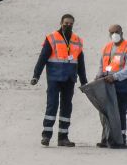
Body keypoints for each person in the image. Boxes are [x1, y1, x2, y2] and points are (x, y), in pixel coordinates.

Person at [32, 13, 87, 147]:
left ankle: (63, 137)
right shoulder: (52, 38)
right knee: (52, 105)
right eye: (65, 23)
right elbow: (42, 58)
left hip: (70, 78)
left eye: (70, 23)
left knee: (66, 107)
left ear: (73, 24)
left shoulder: (77, 40)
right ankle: (46, 135)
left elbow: (80, 62)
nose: (68, 25)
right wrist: (36, 75)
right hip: (54, 78)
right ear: (60, 22)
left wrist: (84, 81)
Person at [99, 24, 127, 148]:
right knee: (106, 111)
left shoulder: (126, 47)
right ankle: (107, 138)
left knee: (120, 110)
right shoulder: (107, 47)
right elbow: (102, 65)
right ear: (109, 34)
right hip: (106, 82)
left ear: (122, 32)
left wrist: (115, 77)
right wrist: (98, 76)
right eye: (112, 32)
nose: (114, 34)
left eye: (117, 31)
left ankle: (121, 139)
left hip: (121, 83)